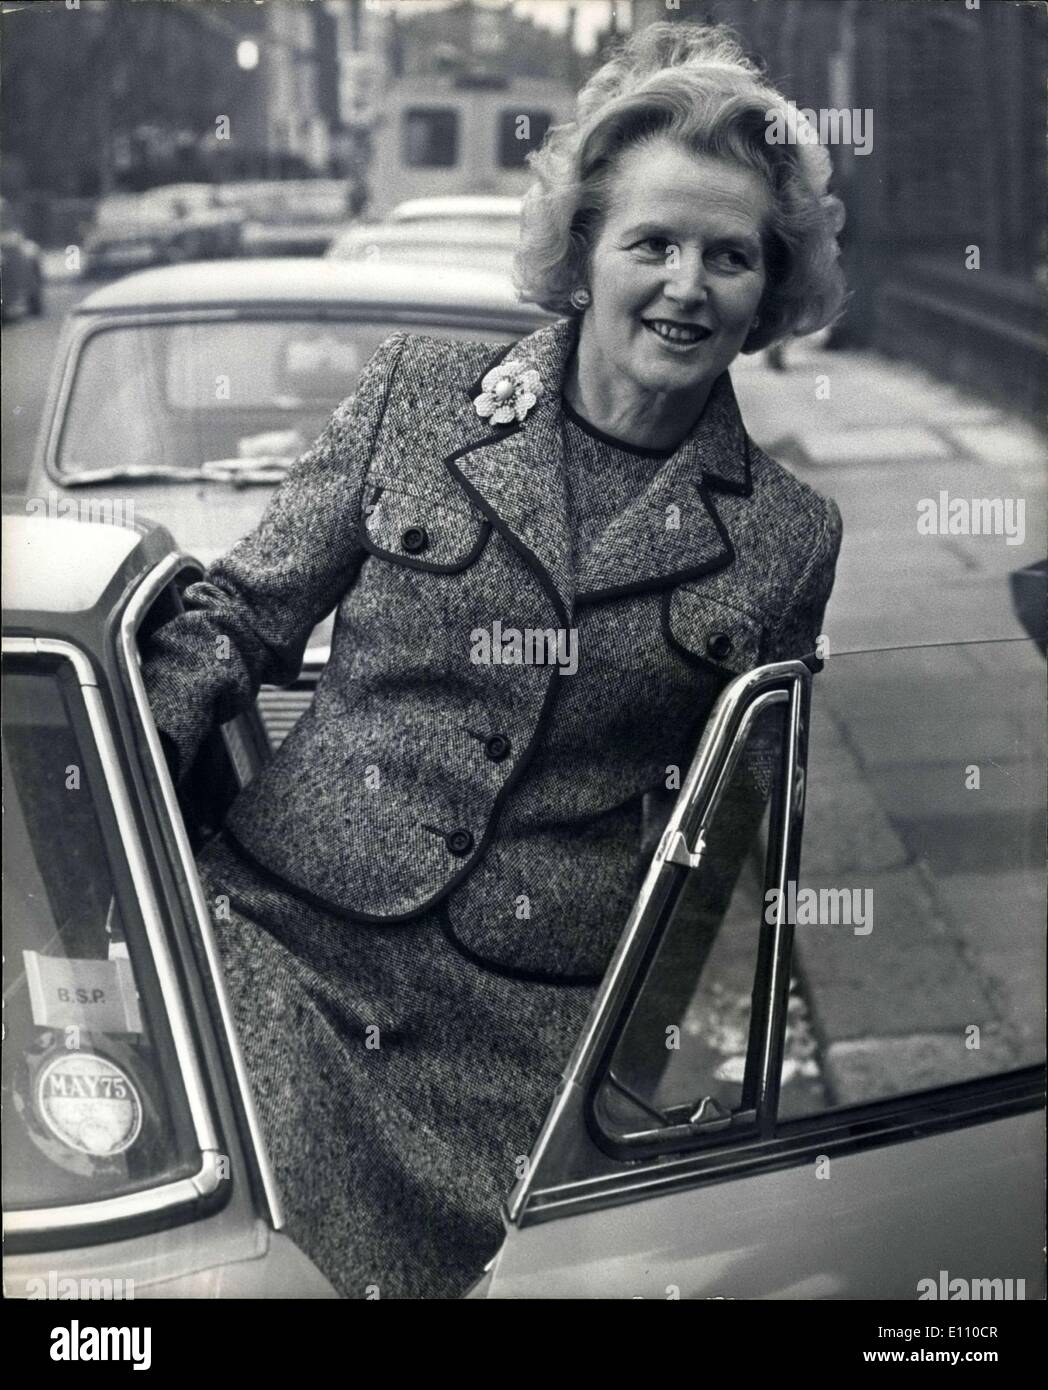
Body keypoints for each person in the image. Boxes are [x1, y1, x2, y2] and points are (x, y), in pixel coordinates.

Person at [141, 21, 846, 1299]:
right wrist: (105, 799)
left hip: (528, 1038)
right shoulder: (418, 398)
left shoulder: (790, 537)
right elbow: (238, 619)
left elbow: (721, 839)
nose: (687, 284)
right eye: (653, 242)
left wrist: (630, 1061)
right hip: (290, 949)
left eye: (729, 255)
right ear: (584, 251)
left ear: (769, 287)